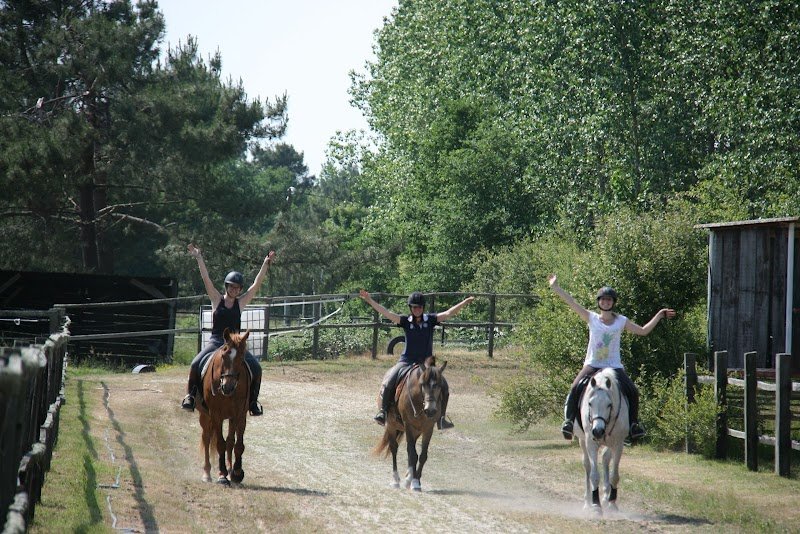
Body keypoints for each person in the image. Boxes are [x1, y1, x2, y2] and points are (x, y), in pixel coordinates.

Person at [548, 274, 676, 441]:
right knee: (574, 388)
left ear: (613, 302)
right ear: (599, 302)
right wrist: (556, 288)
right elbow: (572, 303)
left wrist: (659, 315)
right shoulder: (591, 318)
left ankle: (633, 425)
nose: (606, 302)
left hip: (614, 366)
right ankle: (569, 422)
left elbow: (643, 331)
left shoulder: (621, 321)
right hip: (593, 364)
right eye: (603, 300)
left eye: (609, 300)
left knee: (632, 391)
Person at [181, 243, 275, 417]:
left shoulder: (240, 303)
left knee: (257, 368)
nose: (235, 290)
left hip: (236, 345)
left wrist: (265, 264)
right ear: (226, 286)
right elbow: (206, 279)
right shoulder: (216, 299)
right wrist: (199, 257)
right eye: (232, 286)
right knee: (195, 363)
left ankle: (253, 402)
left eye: (237, 288)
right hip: (216, 341)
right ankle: (190, 396)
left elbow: (256, 285)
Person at [359, 289, 474, 430]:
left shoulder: (430, 320)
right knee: (390, 380)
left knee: (444, 385)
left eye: (419, 307)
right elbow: (386, 313)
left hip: (427, 364)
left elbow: (449, 313)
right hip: (406, 361)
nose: (417, 309)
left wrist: (465, 302)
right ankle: (383, 412)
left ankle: (442, 418)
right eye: (414, 307)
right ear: (410, 308)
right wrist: (370, 300)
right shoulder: (405, 321)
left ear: (423, 308)